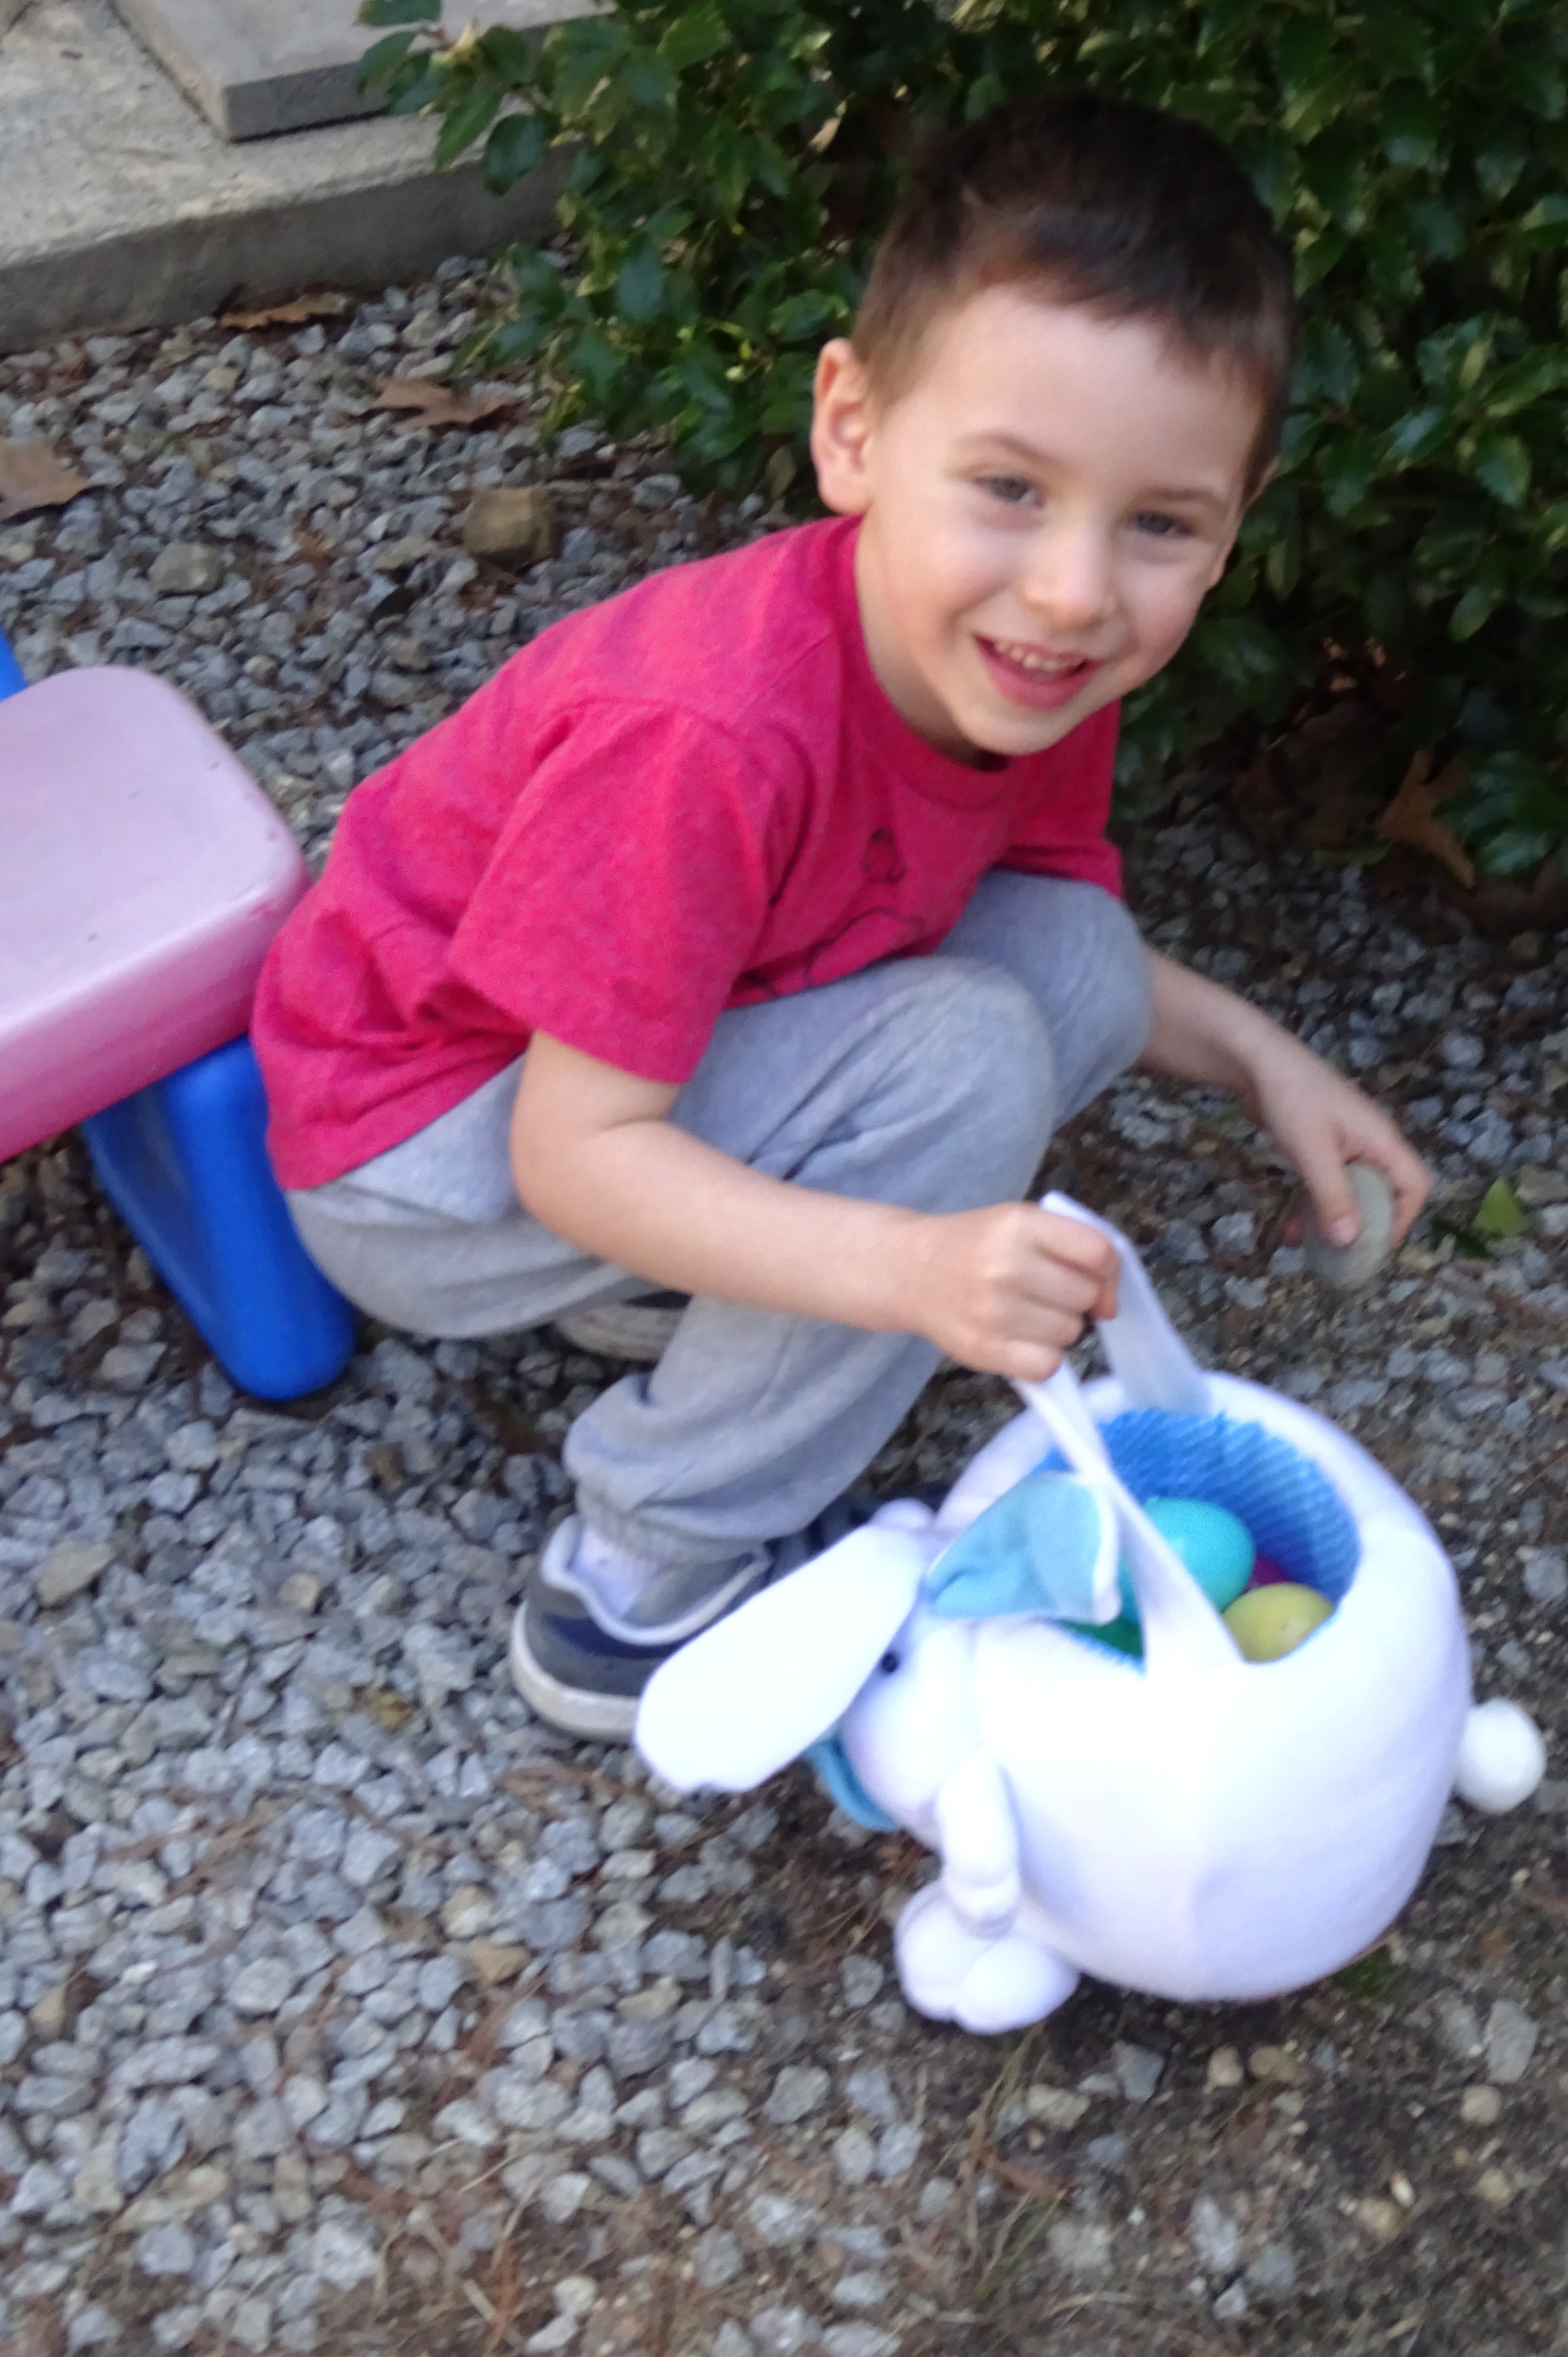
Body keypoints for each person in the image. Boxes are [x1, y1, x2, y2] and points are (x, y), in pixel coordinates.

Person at [252, 89, 1430, 1741]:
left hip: (599, 1067)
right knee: (964, 1060)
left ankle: (716, 1277)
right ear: (853, 430)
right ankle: (641, 1569)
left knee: (1073, 966)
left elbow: (1046, 920)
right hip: (420, 1149)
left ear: (1233, 522)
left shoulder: (1024, 661)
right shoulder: (710, 736)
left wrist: (1262, 1061)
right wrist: (907, 1265)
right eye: (1010, 486)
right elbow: (569, 1153)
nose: (1075, 587)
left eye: (1160, 522)